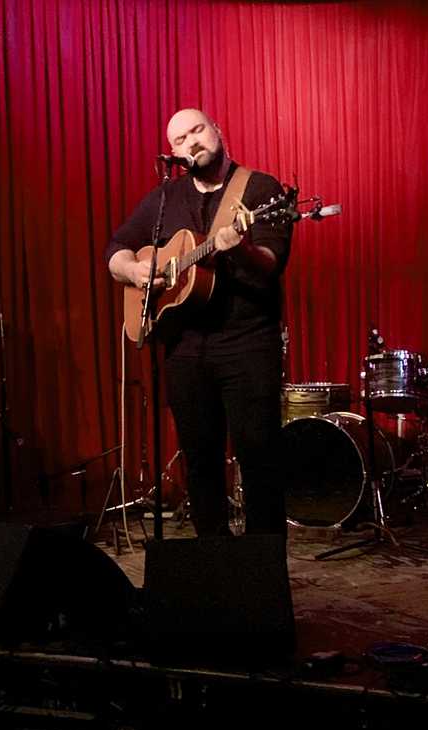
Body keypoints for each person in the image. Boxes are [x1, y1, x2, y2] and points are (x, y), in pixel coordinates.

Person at [106, 108, 292, 537]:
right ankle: (216, 568)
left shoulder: (260, 189)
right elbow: (117, 247)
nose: (191, 142)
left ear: (217, 131)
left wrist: (239, 248)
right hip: (185, 348)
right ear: (173, 153)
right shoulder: (164, 199)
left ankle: (262, 577)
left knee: (259, 460)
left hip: (247, 343)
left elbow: (270, 263)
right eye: (179, 140)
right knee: (200, 464)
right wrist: (134, 271)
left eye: (197, 130)